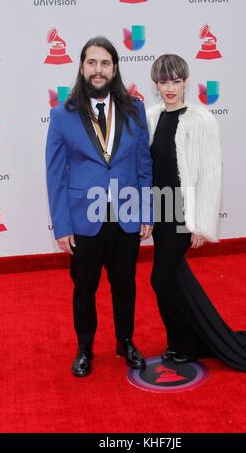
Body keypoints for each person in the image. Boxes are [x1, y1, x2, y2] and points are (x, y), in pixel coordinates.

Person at [146, 54, 246, 374]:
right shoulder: (152, 117)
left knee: (162, 276)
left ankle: (197, 342)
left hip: (184, 211)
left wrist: (200, 224)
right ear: (155, 84)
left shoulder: (201, 120)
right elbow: (148, 168)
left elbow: (210, 174)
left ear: (185, 81)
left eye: (176, 80)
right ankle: (179, 342)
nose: (170, 88)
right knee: (171, 279)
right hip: (161, 210)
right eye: (164, 81)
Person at [46, 37, 153, 377]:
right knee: (85, 287)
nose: (98, 70)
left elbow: (144, 165)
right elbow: (55, 175)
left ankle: (125, 341)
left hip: (126, 215)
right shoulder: (62, 115)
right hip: (84, 219)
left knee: (126, 284)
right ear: (81, 67)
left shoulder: (134, 109)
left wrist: (148, 211)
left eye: (105, 63)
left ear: (115, 68)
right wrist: (62, 226)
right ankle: (85, 348)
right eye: (91, 63)